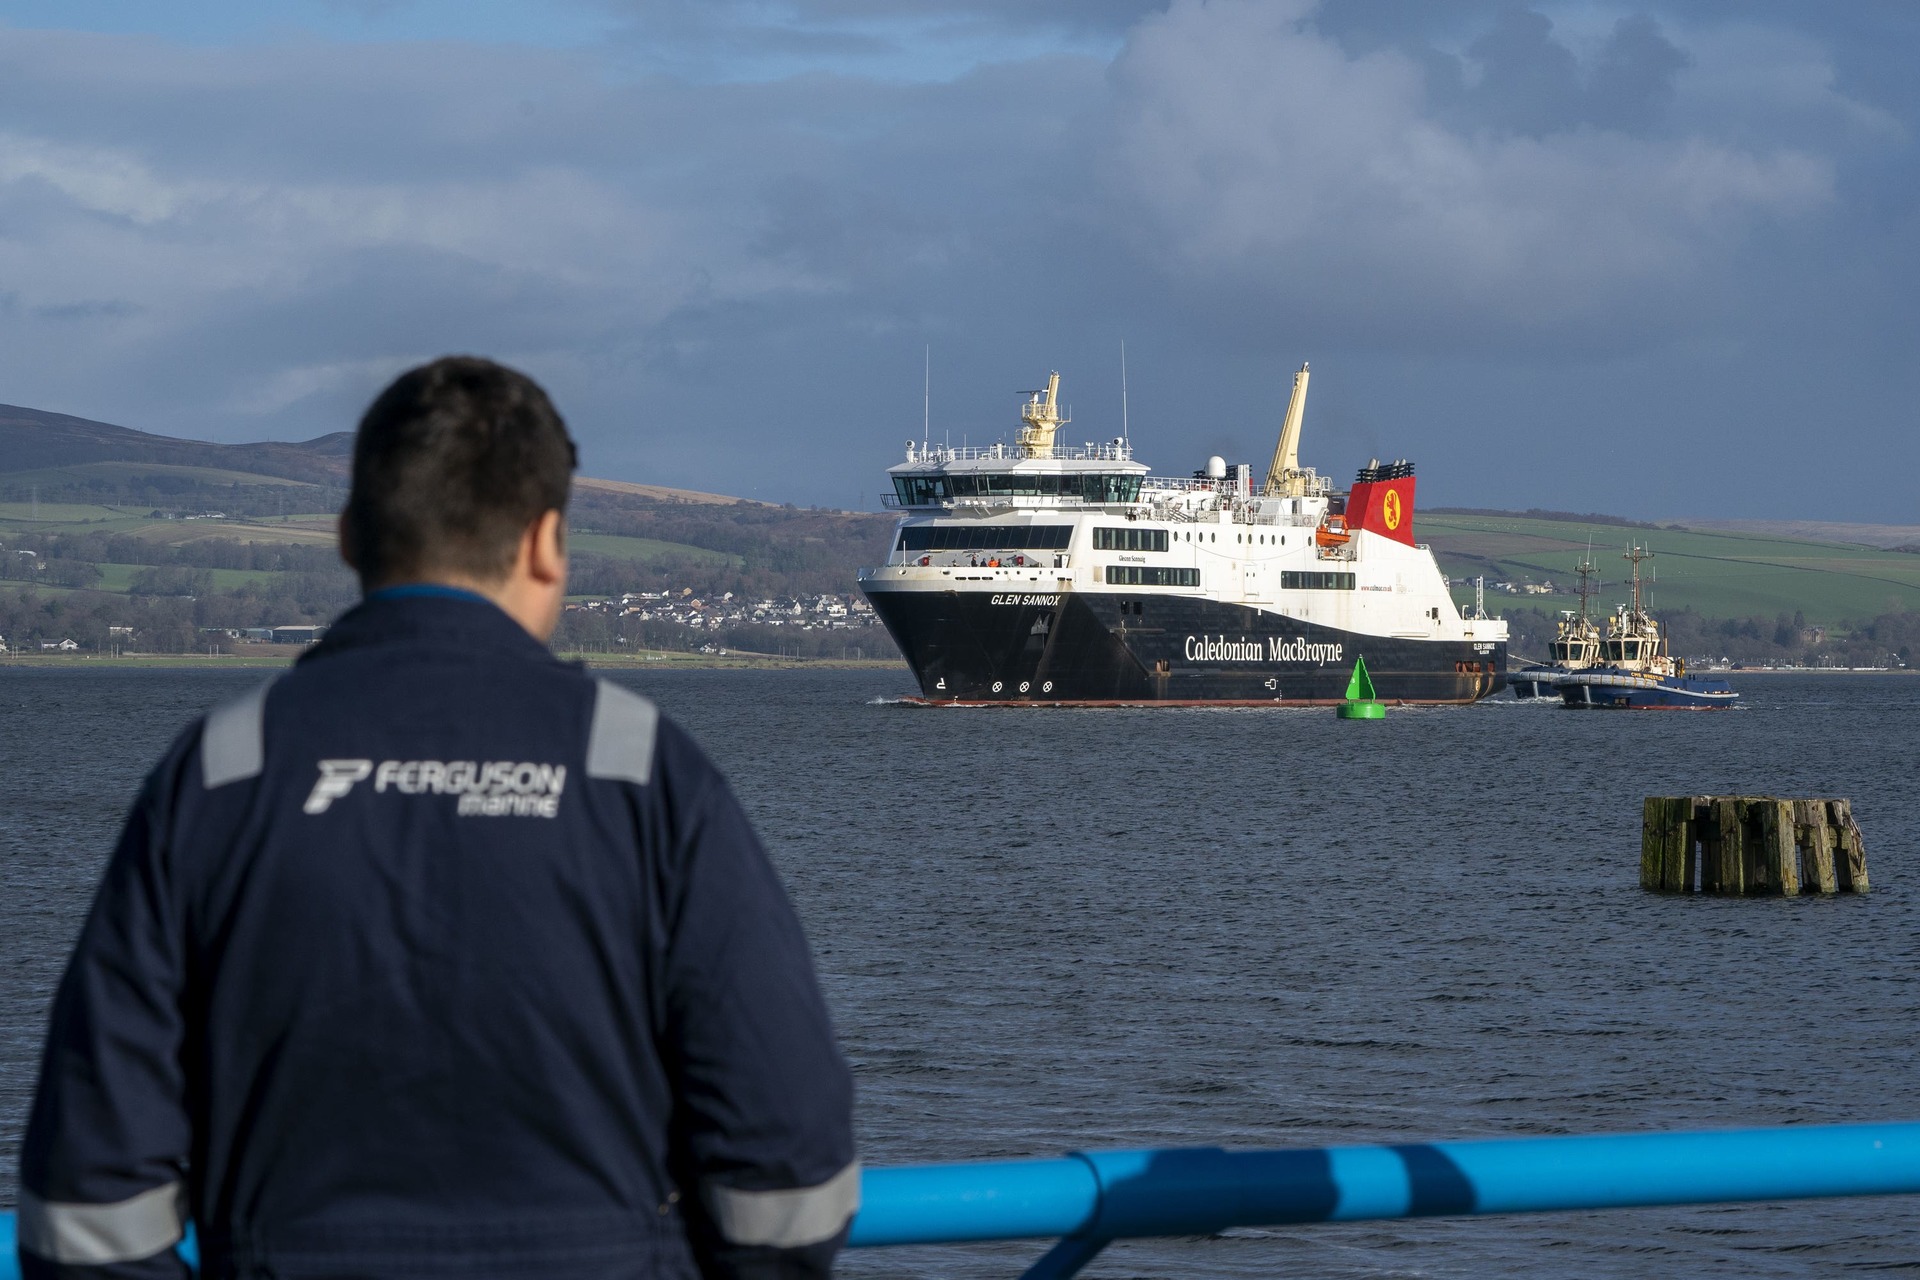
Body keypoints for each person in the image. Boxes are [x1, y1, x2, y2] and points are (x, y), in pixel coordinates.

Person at [15, 357, 857, 1279]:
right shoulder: (642, 769)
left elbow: (86, 1196)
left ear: (348, 537)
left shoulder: (223, 770)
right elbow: (788, 1167)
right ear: (546, 543)